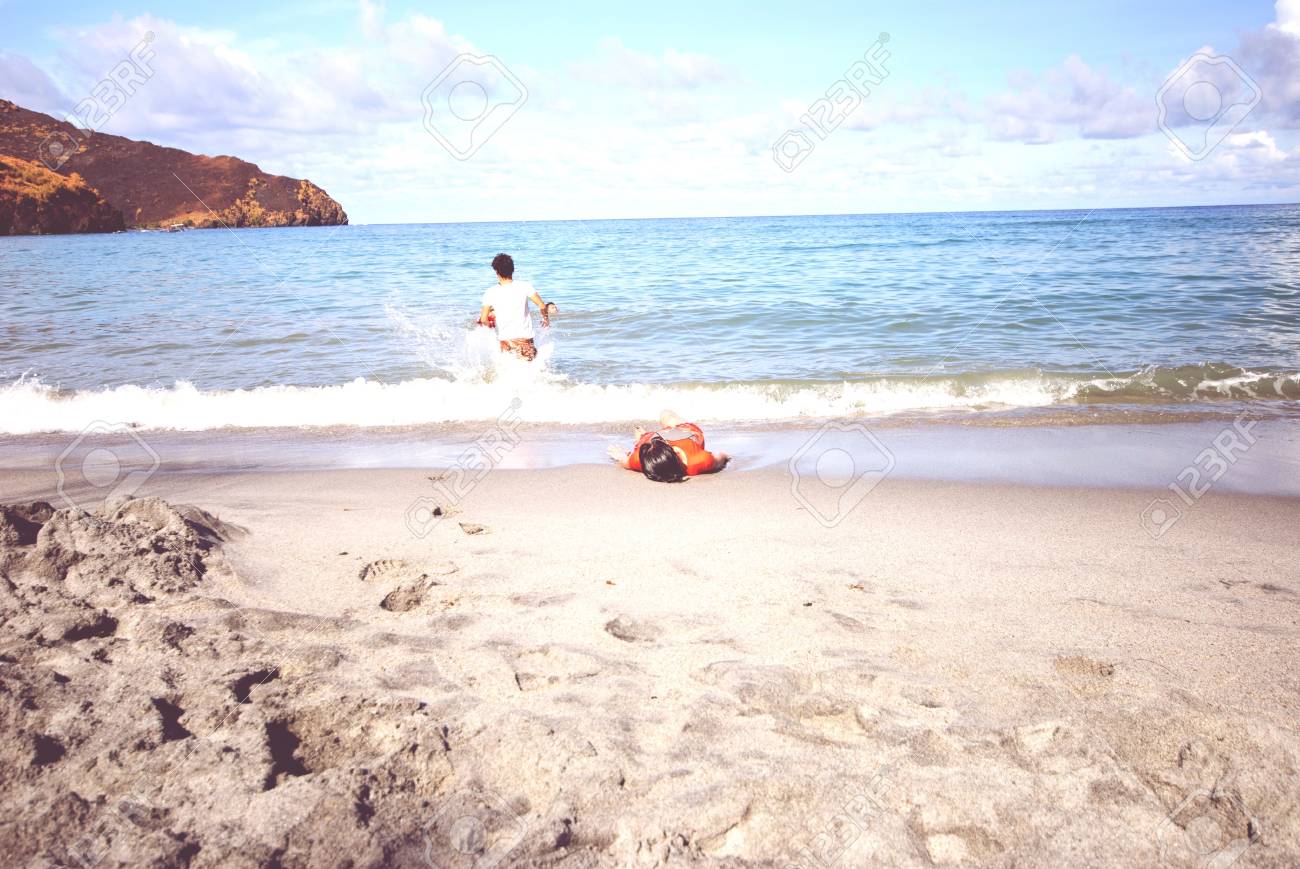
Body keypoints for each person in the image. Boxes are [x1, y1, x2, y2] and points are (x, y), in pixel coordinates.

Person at [607, 410, 730, 482]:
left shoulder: (641, 460)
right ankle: (643, 436)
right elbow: (721, 457)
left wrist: (618, 455)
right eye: (672, 448)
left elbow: (624, 460)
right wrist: (726, 457)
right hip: (685, 431)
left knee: (643, 440)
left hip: (649, 440)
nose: (671, 444)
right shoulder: (698, 462)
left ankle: (642, 437)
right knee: (667, 415)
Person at [479, 253, 551, 361]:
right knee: (529, 369)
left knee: (508, 371)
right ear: (513, 269)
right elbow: (541, 305)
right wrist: (545, 319)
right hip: (524, 339)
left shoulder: (490, 292)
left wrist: (490, 326)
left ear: (496, 272)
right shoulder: (525, 286)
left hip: (505, 340)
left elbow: (483, 319)